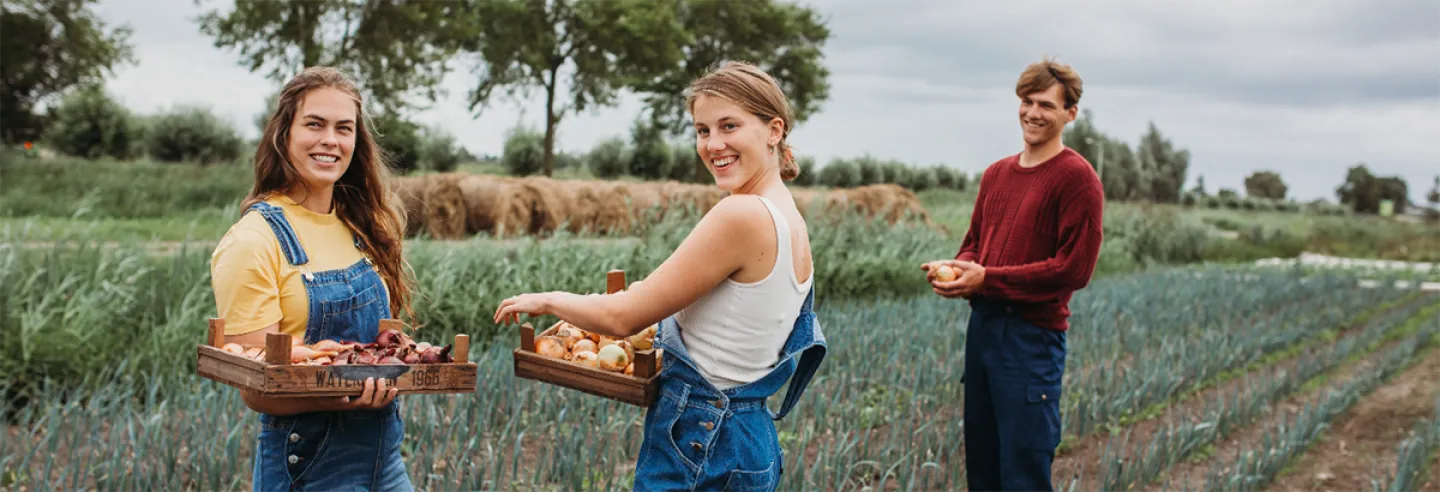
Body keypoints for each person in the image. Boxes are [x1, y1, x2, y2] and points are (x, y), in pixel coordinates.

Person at [493, 61, 827, 492]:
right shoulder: (788, 216)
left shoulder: (742, 214)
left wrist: (548, 299)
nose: (713, 144)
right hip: (747, 437)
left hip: (703, 435)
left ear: (774, 130)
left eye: (729, 126)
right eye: (702, 130)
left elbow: (624, 318)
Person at [209, 66, 417, 491]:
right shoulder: (254, 240)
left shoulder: (362, 226)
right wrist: (344, 391)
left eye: (344, 128)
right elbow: (256, 386)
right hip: (308, 465)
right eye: (314, 124)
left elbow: (376, 341)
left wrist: (402, 357)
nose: (330, 140)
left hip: (384, 460)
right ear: (284, 133)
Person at [922, 57, 1105, 491]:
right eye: (1027, 101)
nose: (1033, 113)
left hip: (1031, 340)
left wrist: (988, 279)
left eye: (1046, 104)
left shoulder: (1077, 178)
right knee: (982, 467)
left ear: (1069, 114)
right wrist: (960, 268)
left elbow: (1073, 269)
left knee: (1023, 471)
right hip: (983, 333)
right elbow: (975, 244)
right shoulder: (997, 175)